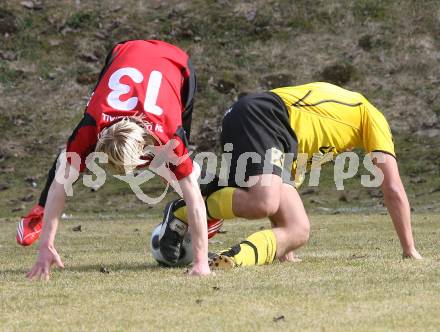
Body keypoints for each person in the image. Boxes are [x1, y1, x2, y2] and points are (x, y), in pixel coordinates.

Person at [159, 82, 422, 268]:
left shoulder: (327, 134)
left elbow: (285, 185)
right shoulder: (369, 114)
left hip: (266, 126)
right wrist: (409, 250)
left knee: (298, 231)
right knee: (263, 202)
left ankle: (231, 260)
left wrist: (285, 249)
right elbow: (394, 189)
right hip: (264, 116)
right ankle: (187, 207)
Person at [20, 40, 211, 279]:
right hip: (124, 52)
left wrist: (202, 262)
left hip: (176, 62)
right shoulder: (90, 128)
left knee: (187, 177)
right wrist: (46, 245)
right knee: (65, 163)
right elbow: (61, 184)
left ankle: (203, 219)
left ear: (146, 145)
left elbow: (192, 195)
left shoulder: (169, 135)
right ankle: (38, 212)